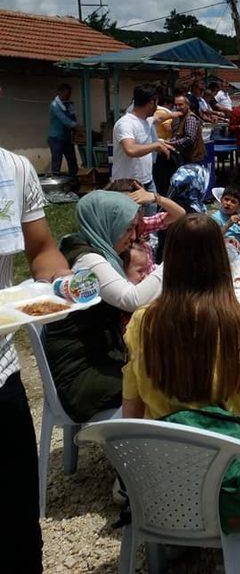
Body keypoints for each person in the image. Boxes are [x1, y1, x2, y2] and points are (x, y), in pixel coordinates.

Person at [0, 145, 72, 574]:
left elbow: (42, 248)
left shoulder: (14, 169)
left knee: (16, 528)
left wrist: (61, 280)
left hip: (3, 371)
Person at [122, 214, 240, 426]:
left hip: (162, 450)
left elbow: (131, 412)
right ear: (221, 260)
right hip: (227, 452)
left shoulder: (142, 321)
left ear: (169, 261)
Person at [43, 191, 164, 423]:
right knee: (164, 378)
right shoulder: (87, 260)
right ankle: (144, 449)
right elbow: (132, 300)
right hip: (82, 373)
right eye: (127, 228)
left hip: (101, 358)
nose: (134, 236)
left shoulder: (97, 250)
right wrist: (174, 261)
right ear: (107, 223)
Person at [111, 85, 173, 189]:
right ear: (151, 103)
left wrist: (179, 113)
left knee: (153, 205)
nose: (157, 107)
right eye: (156, 104)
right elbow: (130, 150)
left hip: (147, 180)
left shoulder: (146, 121)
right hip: (128, 184)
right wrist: (155, 145)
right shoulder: (126, 123)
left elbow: (159, 117)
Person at [47, 83, 78, 176]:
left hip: (67, 137)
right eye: (67, 94)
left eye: (69, 94)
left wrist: (75, 128)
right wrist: (76, 126)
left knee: (72, 160)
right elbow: (64, 119)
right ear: (61, 92)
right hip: (56, 138)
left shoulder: (69, 104)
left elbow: (73, 117)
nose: (68, 96)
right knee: (57, 160)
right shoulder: (54, 105)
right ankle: (55, 181)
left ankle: (74, 178)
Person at [169, 92, 206, 165]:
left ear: (187, 105)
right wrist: (171, 140)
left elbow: (189, 138)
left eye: (180, 105)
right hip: (186, 157)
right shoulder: (181, 117)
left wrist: (174, 143)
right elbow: (180, 134)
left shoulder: (190, 118)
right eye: (176, 105)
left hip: (192, 158)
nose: (177, 107)